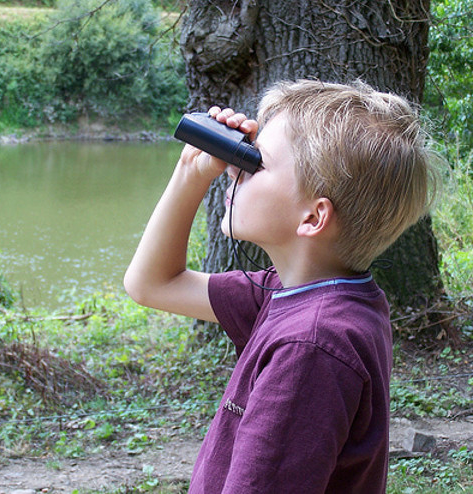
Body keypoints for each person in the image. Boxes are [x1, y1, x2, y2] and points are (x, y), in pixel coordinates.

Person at [124, 80, 438, 493]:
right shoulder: (299, 294)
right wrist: (191, 172)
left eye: (258, 163)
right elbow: (152, 284)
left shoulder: (310, 347)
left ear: (312, 218)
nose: (235, 168)